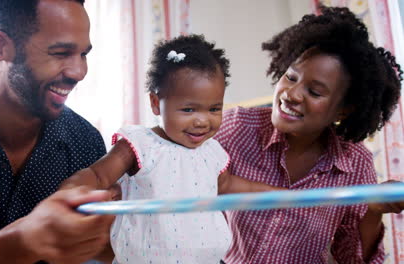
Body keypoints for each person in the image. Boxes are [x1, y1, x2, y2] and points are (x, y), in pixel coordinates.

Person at [61, 34, 281, 263]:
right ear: (156, 104)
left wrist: (278, 195)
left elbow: (228, 185)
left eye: (214, 109)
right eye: (188, 110)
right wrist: (71, 191)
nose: (202, 121)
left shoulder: (211, 152)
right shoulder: (140, 145)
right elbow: (98, 174)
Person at [214, 6, 404, 264]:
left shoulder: (354, 166)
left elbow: (351, 259)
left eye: (315, 92)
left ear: (344, 109)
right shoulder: (236, 128)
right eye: (290, 77)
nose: (291, 94)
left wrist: (374, 210)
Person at [0, 0, 116, 262]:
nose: (80, 72)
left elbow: (101, 256)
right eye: (60, 52)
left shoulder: (85, 140)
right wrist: (19, 244)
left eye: (83, 54)